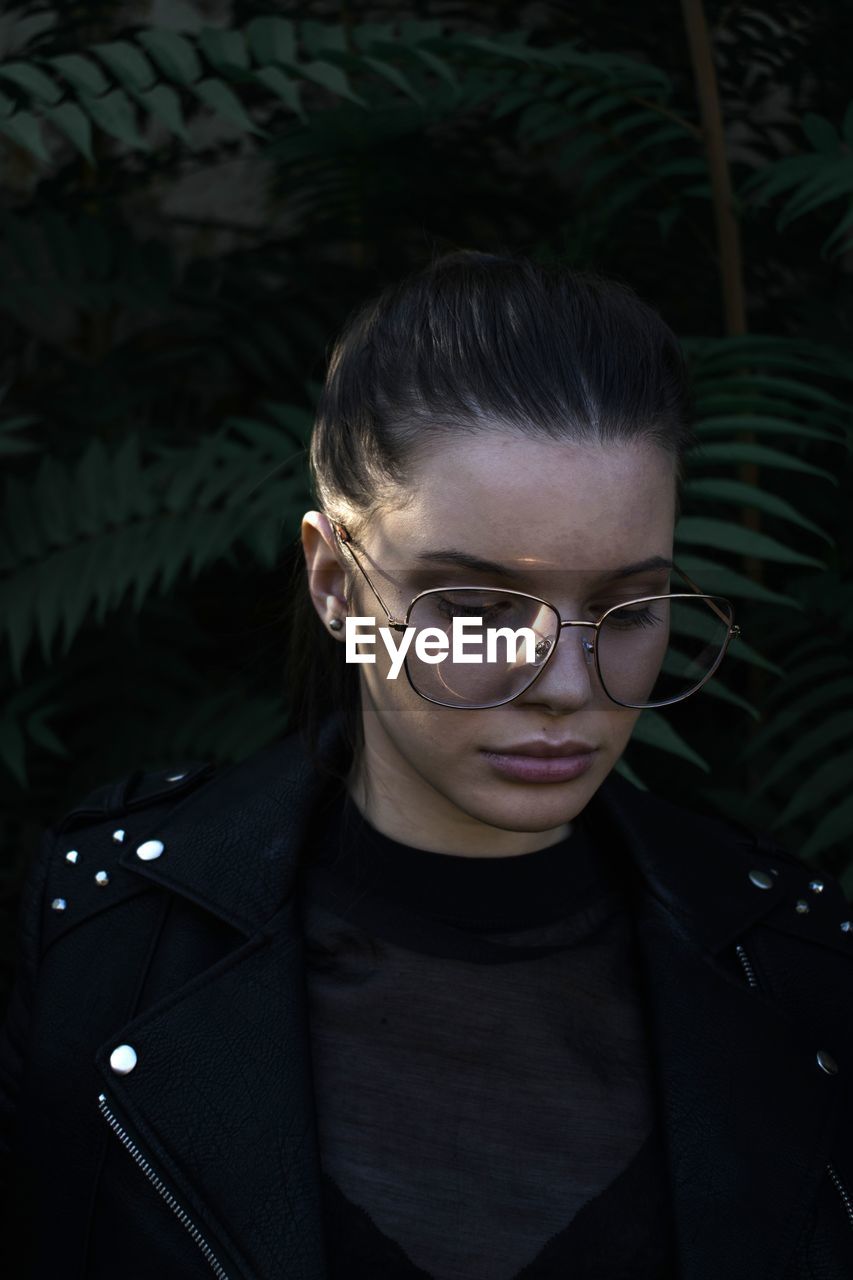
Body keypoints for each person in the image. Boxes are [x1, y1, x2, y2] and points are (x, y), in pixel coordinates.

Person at [1, 250, 852, 1280]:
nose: (566, 683)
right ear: (333, 581)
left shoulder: (796, 961)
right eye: (478, 607)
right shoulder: (105, 933)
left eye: (629, 607)